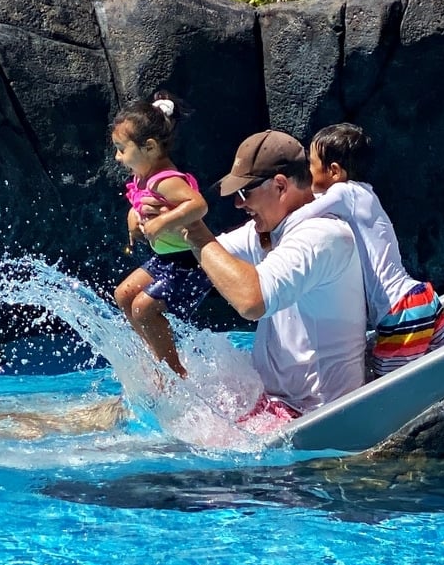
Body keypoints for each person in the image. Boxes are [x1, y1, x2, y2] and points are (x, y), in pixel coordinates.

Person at [177, 129, 368, 432]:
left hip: (311, 416)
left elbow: (252, 301)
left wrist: (197, 233)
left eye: (244, 194)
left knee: (169, 448)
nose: (239, 205)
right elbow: (208, 256)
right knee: (162, 405)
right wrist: (164, 219)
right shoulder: (275, 228)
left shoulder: (322, 236)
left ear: (280, 185)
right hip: (271, 403)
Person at [298, 123, 444, 377]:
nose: (307, 172)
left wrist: (265, 230)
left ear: (333, 171)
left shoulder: (343, 192)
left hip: (399, 311)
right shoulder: (366, 193)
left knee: (385, 387)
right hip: (421, 297)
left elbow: (302, 216)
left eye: (311, 164)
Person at [111, 91, 213, 378]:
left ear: (150, 147)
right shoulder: (142, 175)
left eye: (122, 148)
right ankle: (155, 358)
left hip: (188, 264)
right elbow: (138, 201)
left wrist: (162, 222)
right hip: (166, 260)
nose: (118, 157)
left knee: (143, 308)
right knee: (124, 294)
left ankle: (174, 372)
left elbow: (198, 204)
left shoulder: (166, 180)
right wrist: (134, 214)